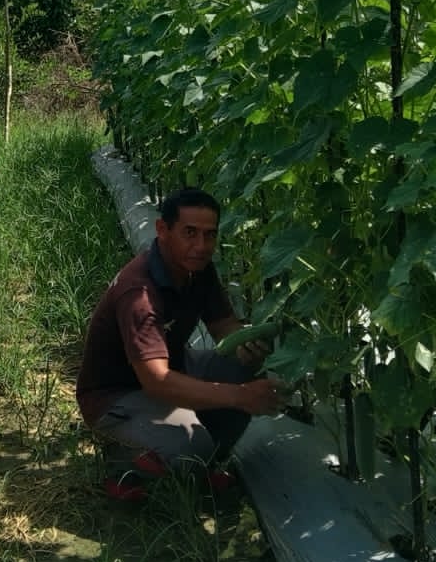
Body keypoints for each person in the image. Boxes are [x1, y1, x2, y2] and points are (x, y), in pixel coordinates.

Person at [75, 187, 285, 500]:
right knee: (191, 445)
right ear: (162, 230)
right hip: (116, 397)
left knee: (241, 366)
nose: (201, 246)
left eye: (209, 235)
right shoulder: (139, 294)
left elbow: (223, 326)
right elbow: (157, 381)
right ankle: (123, 464)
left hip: (172, 369)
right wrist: (240, 396)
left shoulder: (197, 268)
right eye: (189, 233)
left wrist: (244, 344)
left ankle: (202, 464)